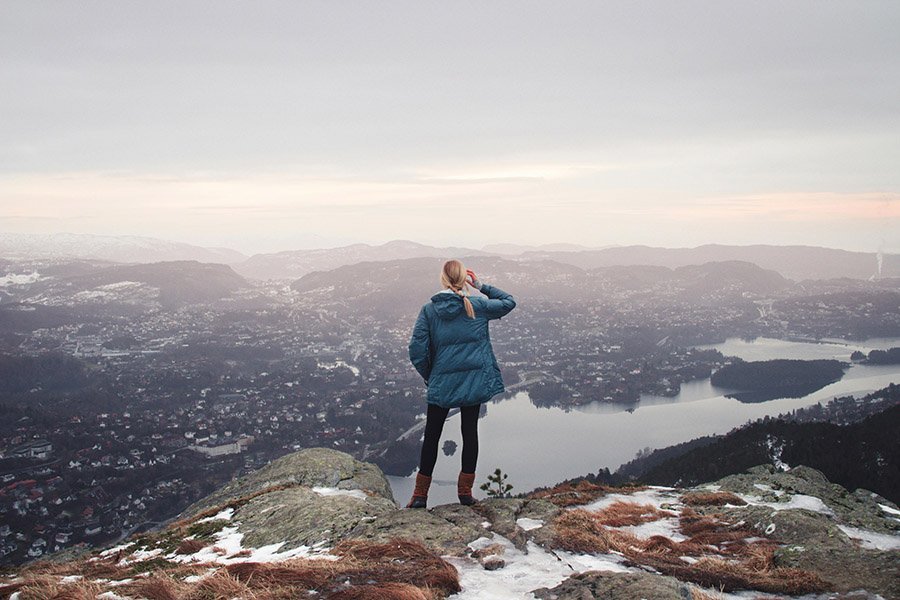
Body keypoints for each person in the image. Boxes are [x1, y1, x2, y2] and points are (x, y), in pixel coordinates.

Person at [406, 259, 517, 508]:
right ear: (463, 279)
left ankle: (419, 496)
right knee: (470, 433)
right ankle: (465, 494)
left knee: (432, 436)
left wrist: (430, 374)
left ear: (443, 280)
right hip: (473, 381)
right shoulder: (477, 304)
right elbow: (509, 302)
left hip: (442, 382)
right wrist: (481, 285)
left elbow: (416, 350)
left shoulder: (429, 310)